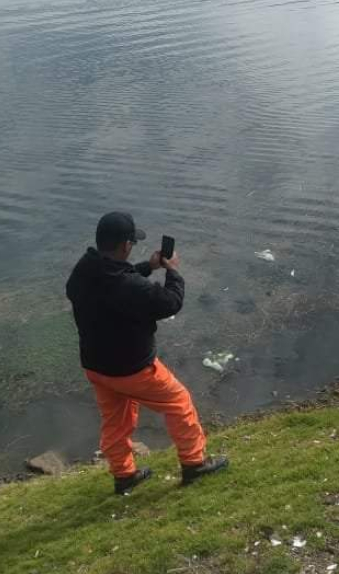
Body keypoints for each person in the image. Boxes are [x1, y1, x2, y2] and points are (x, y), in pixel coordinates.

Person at [66, 211, 228, 494]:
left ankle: (124, 475)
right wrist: (173, 271)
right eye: (132, 243)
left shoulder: (84, 270)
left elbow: (117, 279)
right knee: (180, 403)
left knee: (116, 420)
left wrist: (149, 266)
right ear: (126, 245)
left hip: (96, 367)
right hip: (132, 369)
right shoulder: (126, 286)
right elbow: (170, 302)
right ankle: (194, 464)